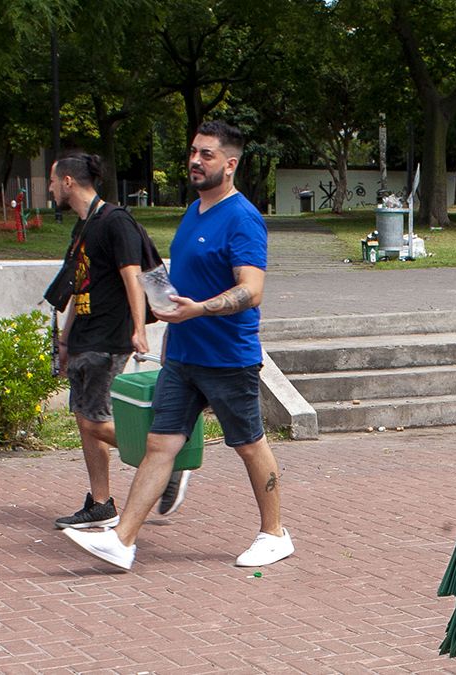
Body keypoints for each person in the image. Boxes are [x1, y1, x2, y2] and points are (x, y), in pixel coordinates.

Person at [62, 120, 292, 571]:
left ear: (230, 164)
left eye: (206, 154)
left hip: (227, 357)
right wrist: (168, 324)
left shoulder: (243, 218)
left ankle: (274, 534)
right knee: (159, 444)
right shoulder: (194, 212)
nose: (194, 161)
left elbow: (252, 290)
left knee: (249, 444)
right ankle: (122, 541)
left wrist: (199, 310)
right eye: (192, 152)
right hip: (183, 356)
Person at [49, 153, 162, 530]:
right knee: (86, 421)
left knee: (95, 422)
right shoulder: (83, 228)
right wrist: (65, 341)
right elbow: (77, 286)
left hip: (109, 337)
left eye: (53, 181)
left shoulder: (115, 221)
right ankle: (101, 503)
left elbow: (133, 277)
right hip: (84, 335)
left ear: (68, 181)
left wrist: (139, 328)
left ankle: (165, 462)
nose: (50, 188)